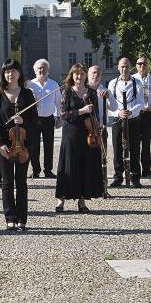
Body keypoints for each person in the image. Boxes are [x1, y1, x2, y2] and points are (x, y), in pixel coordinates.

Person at [0, 58, 37, 232]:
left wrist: (24, 120)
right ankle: (10, 217)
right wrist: (0, 143)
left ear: (19, 73)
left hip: (23, 145)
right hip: (4, 146)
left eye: (13, 71)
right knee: (7, 182)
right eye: (7, 71)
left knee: (22, 182)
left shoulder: (27, 95)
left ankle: (22, 218)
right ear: (3, 74)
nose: (10, 74)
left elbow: (35, 121)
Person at [55, 63, 104, 212]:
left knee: (84, 164)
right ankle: (60, 200)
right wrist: (81, 111)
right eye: (77, 74)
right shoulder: (67, 92)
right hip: (71, 133)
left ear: (85, 76)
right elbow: (63, 114)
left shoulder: (91, 93)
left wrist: (97, 128)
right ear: (72, 75)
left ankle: (82, 201)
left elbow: (95, 113)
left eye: (82, 74)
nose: (79, 76)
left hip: (87, 132)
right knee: (68, 165)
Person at [106, 57, 144, 187]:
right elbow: (110, 103)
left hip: (133, 120)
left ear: (130, 67)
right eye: (122, 66)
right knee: (117, 148)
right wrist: (118, 113)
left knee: (134, 148)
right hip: (118, 120)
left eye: (127, 66)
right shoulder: (112, 83)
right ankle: (118, 176)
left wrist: (130, 112)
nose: (124, 69)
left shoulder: (137, 83)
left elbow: (140, 103)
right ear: (118, 68)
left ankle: (135, 176)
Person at [26, 59, 61, 179]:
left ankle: (48, 170)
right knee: (33, 146)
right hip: (34, 120)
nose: (41, 70)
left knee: (49, 145)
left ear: (48, 70)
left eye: (44, 68)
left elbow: (59, 103)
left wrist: (59, 117)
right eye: (39, 68)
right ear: (35, 70)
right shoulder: (30, 84)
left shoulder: (54, 84)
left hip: (49, 119)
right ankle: (35, 170)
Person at [133, 56, 151, 178]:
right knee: (134, 143)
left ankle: (146, 170)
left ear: (147, 65)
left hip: (147, 114)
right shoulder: (132, 79)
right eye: (139, 64)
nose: (142, 66)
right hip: (135, 114)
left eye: (144, 63)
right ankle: (135, 171)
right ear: (136, 65)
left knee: (146, 143)